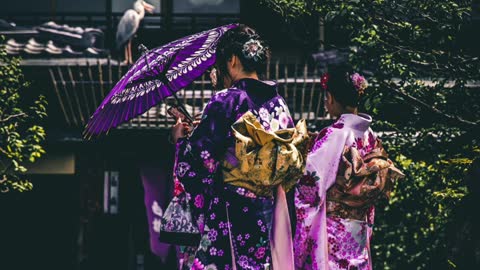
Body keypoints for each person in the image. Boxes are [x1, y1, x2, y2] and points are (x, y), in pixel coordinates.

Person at [171, 25, 300, 270]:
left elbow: (197, 164)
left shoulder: (225, 100)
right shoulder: (279, 104)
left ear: (231, 60)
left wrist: (180, 141)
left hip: (232, 209)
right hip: (267, 208)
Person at [294, 66, 404, 270]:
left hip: (334, 226)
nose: (326, 102)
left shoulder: (334, 133)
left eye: (326, 96)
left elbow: (310, 182)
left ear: (331, 98)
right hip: (358, 225)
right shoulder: (369, 134)